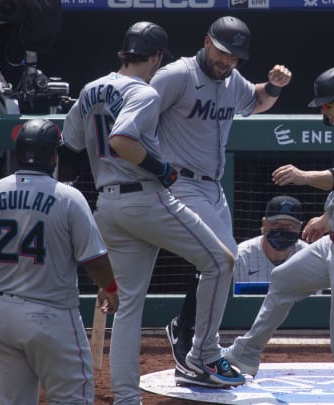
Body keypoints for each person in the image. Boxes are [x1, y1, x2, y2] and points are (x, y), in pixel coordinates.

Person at [62, 21, 246, 401]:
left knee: (128, 308)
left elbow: (72, 142)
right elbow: (122, 140)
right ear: (158, 56)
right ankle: (204, 355)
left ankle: (127, 398)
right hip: (145, 198)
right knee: (220, 261)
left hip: (108, 202)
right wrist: (161, 168)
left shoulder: (92, 87)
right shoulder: (142, 92)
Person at [223, 66, 334, 405]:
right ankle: (246, 353)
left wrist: (302, 176)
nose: (323, 111)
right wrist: (327, 217)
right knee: (284, 279)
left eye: (327, 104)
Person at [149, 15, 292, 387]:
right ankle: (203, 354)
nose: (228, 61)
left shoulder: (232, 81)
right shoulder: (175, 76)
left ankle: (186, 329)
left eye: (235, 57)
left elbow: (254, 102)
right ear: (207, 41)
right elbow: (136, 117)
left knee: (216, 263)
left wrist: (273, 87)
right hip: (178, 182)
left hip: (212, 187)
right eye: (223, 52)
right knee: (221, 260)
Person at [0, 118, 120, 404]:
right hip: (52, 316)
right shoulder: (69, 198)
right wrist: (111, 288)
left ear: (17, 153)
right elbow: (95, 260)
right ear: (53, 156)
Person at [233, 195, 308, 286]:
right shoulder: (242, 256)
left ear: (299, 227)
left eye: (289, 225)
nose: (282, 229)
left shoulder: (308, 255)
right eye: (275, 223)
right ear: (264, 223)